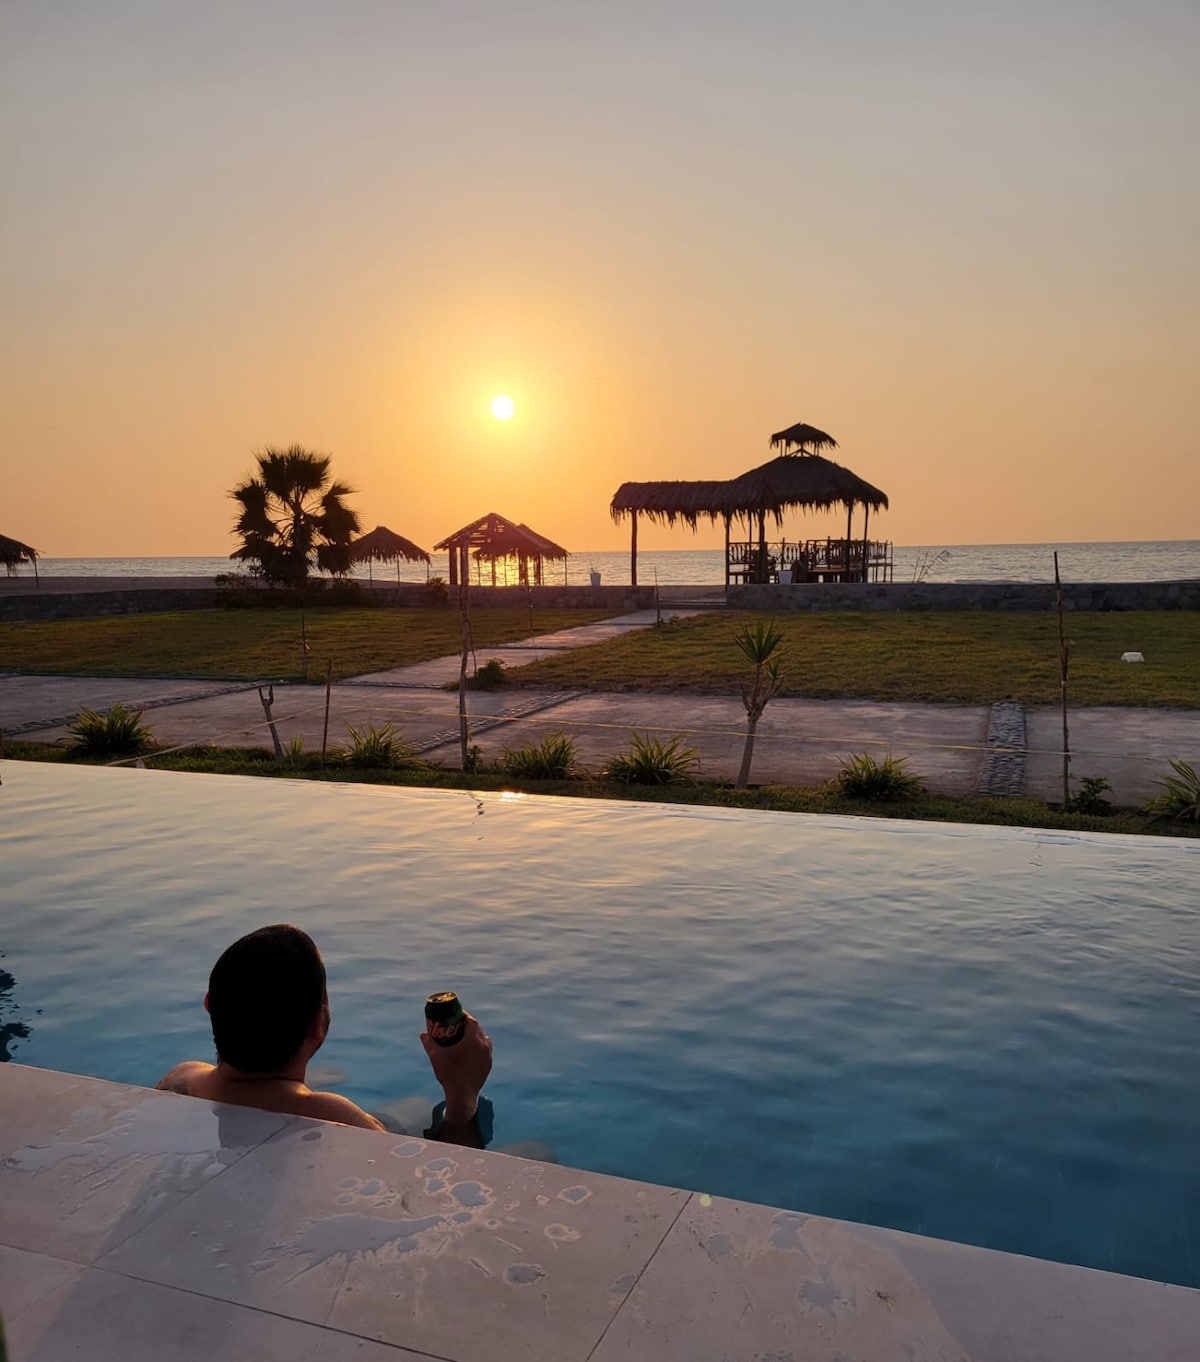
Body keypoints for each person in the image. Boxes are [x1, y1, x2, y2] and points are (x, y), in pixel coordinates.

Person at [155, 923, 493, 1147]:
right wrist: (461, 1098)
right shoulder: (336, 1120)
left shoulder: (180, 1080)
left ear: (209, 1005)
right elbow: (431, 1191)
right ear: (319, 1023)